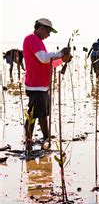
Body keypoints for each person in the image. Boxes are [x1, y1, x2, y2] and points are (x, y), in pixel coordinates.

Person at [22, 18, 71, 150]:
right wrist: (60, 52)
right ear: (41, 28)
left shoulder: (39, 42)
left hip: (42, 86)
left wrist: (62, 59)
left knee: (43, 113)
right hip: (35, 85)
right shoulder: (31, 39)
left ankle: (46, 136)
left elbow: (49, 63)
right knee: (32, 114)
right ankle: (27, 140)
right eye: (48, 31)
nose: (48, 35)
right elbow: (44, 58)